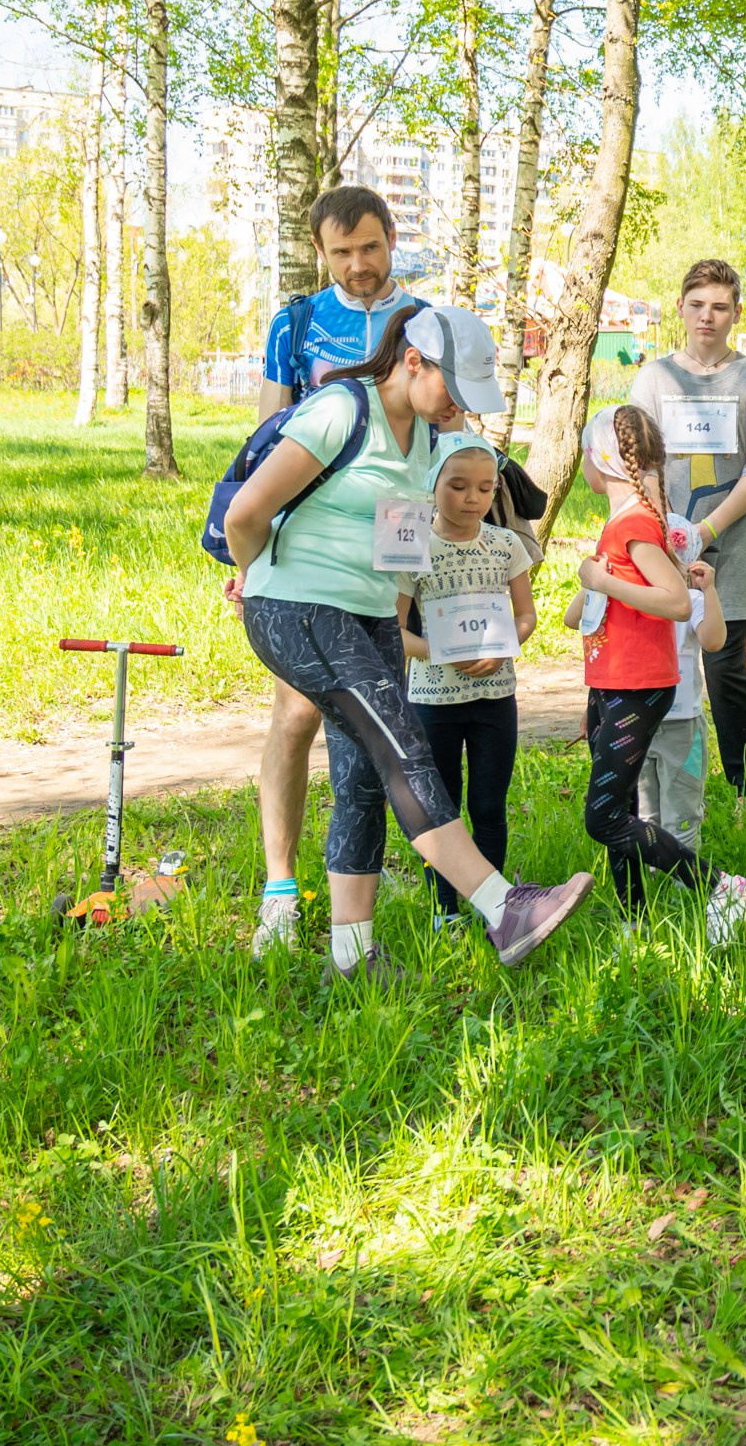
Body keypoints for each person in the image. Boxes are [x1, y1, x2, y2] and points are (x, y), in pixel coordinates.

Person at [221, 303, 593, 981]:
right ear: (414, 361)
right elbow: (247, 511)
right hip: (302, 606)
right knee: (404, 744)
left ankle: (352, 954)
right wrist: (252, 572)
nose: (458, 407)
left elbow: (402, 547)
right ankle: (503, 907)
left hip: (366, 614)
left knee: (363, 777)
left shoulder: (424, 437)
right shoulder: (341, 410)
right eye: (453, 389)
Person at [247, 185, 419, 957]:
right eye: (342, 252)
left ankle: (361, 888)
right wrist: (255, 562)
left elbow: (441, 431)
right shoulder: (298, 323)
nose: (358, 266)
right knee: (296, 716)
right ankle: (279, 888)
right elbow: (264, 441)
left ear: (392, 241)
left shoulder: (420, 323)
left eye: (371, 248)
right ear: (321, 250)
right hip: (307, 560)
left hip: (393, 547)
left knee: (376, 721)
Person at [575, 406, 746, 939]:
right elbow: (586, 610)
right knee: (624, 805)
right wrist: (591, 582)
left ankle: (719, 887)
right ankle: (635, 924)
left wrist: (604, 582)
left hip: (637, 686)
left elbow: (678, 602)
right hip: (610, 683)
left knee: (603, 815)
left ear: (598, 459)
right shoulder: (625, 522)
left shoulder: (633, 523)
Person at [627, 259, 746, 799]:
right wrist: (667, 530)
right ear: (679, 307)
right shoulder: (653, 379)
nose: (707, 317)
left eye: (720, 307)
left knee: (725, 666)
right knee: (660, 663)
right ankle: (655, 784)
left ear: (736, 313)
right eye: (697, 305)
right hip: (660, 548)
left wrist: (704, 531)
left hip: (732, 547)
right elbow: (638, 463)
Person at [393, 433, 537, 926]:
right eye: (457, 486)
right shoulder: (412, 544)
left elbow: (526, 617)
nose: (472, 499)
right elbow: (393, 631)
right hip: (433, 700)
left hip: (495, 699)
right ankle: (444, 910)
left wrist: (504, 648)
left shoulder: (505, 545)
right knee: (442, 808)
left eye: (485, 488)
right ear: (432, 485)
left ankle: (494, 905)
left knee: (489, 805)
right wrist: (438, 652)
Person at [633, 519, 727, 854]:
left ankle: (682, 885)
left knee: (683, 810)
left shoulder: (690, 602)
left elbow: (714, 641)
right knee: (645, 813)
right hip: (639, 722)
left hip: (682, 726)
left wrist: (709, 591)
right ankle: (654, 883)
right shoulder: (630, 598)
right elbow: (575, 619)